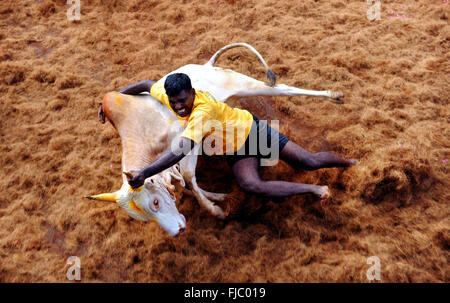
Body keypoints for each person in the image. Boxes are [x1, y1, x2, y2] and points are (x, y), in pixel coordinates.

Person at [98, 73, 357, 204]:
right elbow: (144, 84)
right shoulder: (168, 95)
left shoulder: (202, 111)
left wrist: (144, 173)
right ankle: (314, 190)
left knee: (308, 162)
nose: (178, 106)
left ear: (192, 92)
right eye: (173, 101)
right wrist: (114, 97)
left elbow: (180, 150)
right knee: (251, 185)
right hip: (230, 147)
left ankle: (351, 164)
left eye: (183, 100)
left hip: (252, 132)